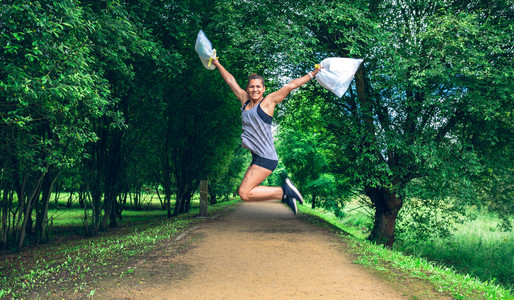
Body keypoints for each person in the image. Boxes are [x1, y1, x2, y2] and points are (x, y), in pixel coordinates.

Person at [211, 58, 321, 214]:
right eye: (251, 87)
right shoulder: (244, 100)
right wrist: (217, 64)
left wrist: (313, 74)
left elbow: (290, 86)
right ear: (247, 89)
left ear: (263, 89)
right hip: (258, 156)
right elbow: (230, 81)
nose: (254, 90)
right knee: (245, 193)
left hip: (266, 157)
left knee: (244, 193)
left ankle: (284, 192)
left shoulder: (268, 102)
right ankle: (286, 195)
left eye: (258, 87)